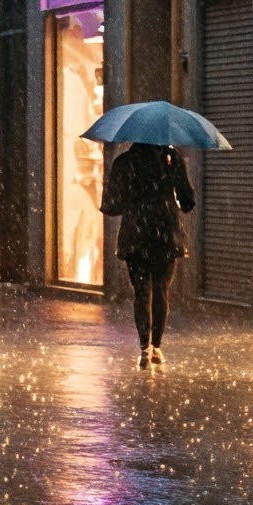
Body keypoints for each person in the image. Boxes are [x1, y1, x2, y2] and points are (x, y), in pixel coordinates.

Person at [100, 141, 195, 367]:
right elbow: (187, 202)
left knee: (142, 293)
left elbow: (111, 206)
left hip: (136, 235)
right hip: (166, 233)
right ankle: (157, 347)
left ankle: (144, 347)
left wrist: (133, 198)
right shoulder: (171, 158)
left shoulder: (124, 162)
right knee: (161, 290)